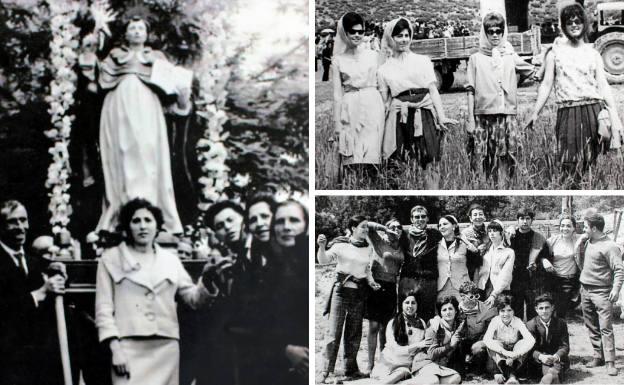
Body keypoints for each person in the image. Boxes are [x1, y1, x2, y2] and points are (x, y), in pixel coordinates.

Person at [95, 198, 219, 385]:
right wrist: (115, 349)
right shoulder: (110, 259)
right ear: (127, 226)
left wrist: (207, 280)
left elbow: (193, 300)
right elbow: (103, 309)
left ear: (157, 225)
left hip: (166, 348)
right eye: (136, 221)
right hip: (127, 348)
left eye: (148, 220)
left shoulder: (171, 260)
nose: (142, 226)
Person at [94, 13, 191, 234]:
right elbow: (96, 78)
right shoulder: (115, 56)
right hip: (118, 107)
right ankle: (121, 213)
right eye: (132, 28)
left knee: (147, 154)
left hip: (148, 109)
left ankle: (151, 211)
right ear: (125, 34)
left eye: (141, 29)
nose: (137, 32)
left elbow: (171, 91)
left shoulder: (157, 58)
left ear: (147, 35)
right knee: (121, 154)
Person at [526, 2, 623, 185]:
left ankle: (591, 186)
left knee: (593, 159)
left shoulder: (593, 53)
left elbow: (603, 85)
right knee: (569, 161)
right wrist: (535, 112)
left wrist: (614, 115)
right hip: (568, 112)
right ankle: (572, 187)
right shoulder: (555, 53)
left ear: (584, 23)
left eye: (578, 21)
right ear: (564, 25)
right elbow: (546, 85)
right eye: (569, 22)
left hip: (593, 111)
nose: (574, 25)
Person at [377, 17, 457, 178]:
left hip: (424, 111)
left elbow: (433, 90)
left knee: (430, 159)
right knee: (400, 161)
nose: (404, 39)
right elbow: (384, 101)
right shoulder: (384, 69)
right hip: (400, 116)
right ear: (391, 38)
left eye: (407, 35)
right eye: (399, 36)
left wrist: (441, 117)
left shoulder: (423, 61)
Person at [0, 200, 68, 385]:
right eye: (13, 221)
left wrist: (55, 270)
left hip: (37, 361)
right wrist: (38, 294)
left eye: (23, 220)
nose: (20, 227)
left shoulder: (34, 262)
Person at [465, 11, 535, 185]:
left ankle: (504, 184)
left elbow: (531, 70)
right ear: (485, 33)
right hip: (483, 115)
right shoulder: (476, 58)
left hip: (506, 114)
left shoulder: (509, 56)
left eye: (498, 31)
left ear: (503, 32)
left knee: (505, 155)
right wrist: (470, 119)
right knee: (485, 156)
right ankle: (488, 184)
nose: (495, 35)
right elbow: (470, 90)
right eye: (491, 31)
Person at [317, 216, 380, 383]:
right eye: (363, 227)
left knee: (354, 333)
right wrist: (322, 247)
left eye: (367, 227)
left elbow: (366, 269)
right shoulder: (340, 244)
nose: (366, 230)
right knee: (333, 333)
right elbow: (322, 261)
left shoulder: (367, 248)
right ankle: (325, 372)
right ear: (353, 228)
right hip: (341, 292)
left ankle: (350, 370)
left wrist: (372, 282)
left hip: (359, 294)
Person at [332, 12, 385, 174]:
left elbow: (382, 85)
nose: (356, 35)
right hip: (350, 105)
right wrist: (337, 125)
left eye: (360, 32)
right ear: (345, 33)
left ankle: (375, 180)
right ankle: (354, 182)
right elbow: (337, 94)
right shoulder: (338, 60)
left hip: (373, 102)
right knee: (352, 151)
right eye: (352, 32)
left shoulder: (373, 56)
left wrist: (386, 107)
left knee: (373, 148)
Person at [371, 292, 456, 384]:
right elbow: (395, 350)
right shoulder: (393, 323)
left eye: (413, 303)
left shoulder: (421, 323)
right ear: (401, 304)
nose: (410, 306)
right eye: (407, 303)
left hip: (408, 365)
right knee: (394, 377)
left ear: (417, 305)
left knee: (404, 373)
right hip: (390, 362)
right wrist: (418, 345)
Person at [576, 210, 623, 376]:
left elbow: (619, 269)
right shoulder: (588, 241)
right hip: (585, 289)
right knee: (591, 325)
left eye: (586, 227)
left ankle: (610, 362)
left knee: (605, 327)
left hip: (602, 292)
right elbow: (578, 258)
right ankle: (598, 356)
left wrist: (616, 289)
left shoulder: (610, 246)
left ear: (594, 228)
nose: (584, 230)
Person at [364, 218, 405, 373]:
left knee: (386, 328)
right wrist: (384, 229)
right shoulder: (379, 240)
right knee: (374, 326)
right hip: (376, 285)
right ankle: (370, 364)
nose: (396, 229)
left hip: (391, 288)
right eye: (392, 226)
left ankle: (383, 363)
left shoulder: (402, 245)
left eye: (398, 226)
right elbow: (366, 224)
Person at [398, 205, 443, 321]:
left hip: (428, 281)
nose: (420, 219)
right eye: (416, 217)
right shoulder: (404, 236)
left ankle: (426, 339)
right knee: (406, 314)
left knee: (427, 315)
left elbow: (453, 235)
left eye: (423, 216)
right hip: (408, 280)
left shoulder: (435, 235)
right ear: (411, 219)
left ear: (428, 218)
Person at [483, 292, 536, 384]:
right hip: (499, 353)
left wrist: (516, 354)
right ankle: (511, 376)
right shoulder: (495, 321)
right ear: (498, 311)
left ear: (514, 311)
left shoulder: (518, 321)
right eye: (502, 311)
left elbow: (531, 340)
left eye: (509, 310)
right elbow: (486, 339)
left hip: (513, 355)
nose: (506, 314)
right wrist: (504, 352)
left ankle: (505, 375)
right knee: (494, 343)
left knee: (523, 343)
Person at [508, 208, 548, 321]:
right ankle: (518, 335)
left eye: (527, 218)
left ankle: (533, 335)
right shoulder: (511, 237)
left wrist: (537, 266)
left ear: (532, 220)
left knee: (533, 310)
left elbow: (545, 257)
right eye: (522, 218)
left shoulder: (538, 238)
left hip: (532, 280)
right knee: (516, 310)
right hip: (515, 279)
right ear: (517, 220)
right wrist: (509, 229)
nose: (525, 221)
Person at [526, 293, 570, 384]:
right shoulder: (530, 325)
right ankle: (551, 376)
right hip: (538, 360)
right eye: (541, 308)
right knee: (548, 370)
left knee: (557, 366)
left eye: (547, 307)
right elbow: (529, 349)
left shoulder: (561, 323)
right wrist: (541, 357)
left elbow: (565, 346)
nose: (544, 311)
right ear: (536, 309)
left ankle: (550, 376)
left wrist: (556, 356)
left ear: (552, 308)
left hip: (555, 359)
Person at [545, 214, 581, 319]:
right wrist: (544, 261)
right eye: (562, 225)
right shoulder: (552, 241)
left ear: (574, 227)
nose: (565, 228)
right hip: (555, 279)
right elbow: (541, 254)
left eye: (568, 226)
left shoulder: (578, 240)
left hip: (570, 280)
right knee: (556, 310)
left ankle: (558, 329)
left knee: (562, 309)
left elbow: (591, 235)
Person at [457, 281, 496, 376]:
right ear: (462, 296)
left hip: (480, 337)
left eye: (476, 296)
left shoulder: (484, 308)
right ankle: (462, 368)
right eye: (470, 297)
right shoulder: (458, 308)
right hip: (465, 339)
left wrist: (482, 341)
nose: (474, 299)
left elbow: (489, 329)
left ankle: (477, 370)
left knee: (479, 349)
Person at [423, 296, 464, 383]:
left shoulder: (457, 325)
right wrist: (450, 345)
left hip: (443, 365)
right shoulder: (435, 326)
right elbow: (431, 354)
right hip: (427, 362)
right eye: (444, 310)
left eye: (450, 309)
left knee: (456, 378)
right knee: (434, 381)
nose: (448, 312)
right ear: (440, 313)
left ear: (456, 311)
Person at [436, 215, 477, 300]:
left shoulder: (464, 244)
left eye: (445, 224)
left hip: (462, 288)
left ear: (454, 226)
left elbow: (476, 263)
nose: (442, 227)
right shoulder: (436, 245)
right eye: (440, 225)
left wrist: (473, 249)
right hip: (441, 287)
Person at [476, 220, 515, 308]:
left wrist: (494, 294)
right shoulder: (485, 249)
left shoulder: (508, 252)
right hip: (482, 288)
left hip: (500, 290)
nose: (492, 234)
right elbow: (478, 270)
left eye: (495, 231)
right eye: (489, 231)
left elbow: (506, 274)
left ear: (501, 232)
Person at [461, 203, 489, 280]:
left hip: (487, 269)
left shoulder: (490, 231)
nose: (478, 217)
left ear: (484, 217)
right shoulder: (465, 234)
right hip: (471, 271)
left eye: (480, 214)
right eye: (475, 215)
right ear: (470, 218)